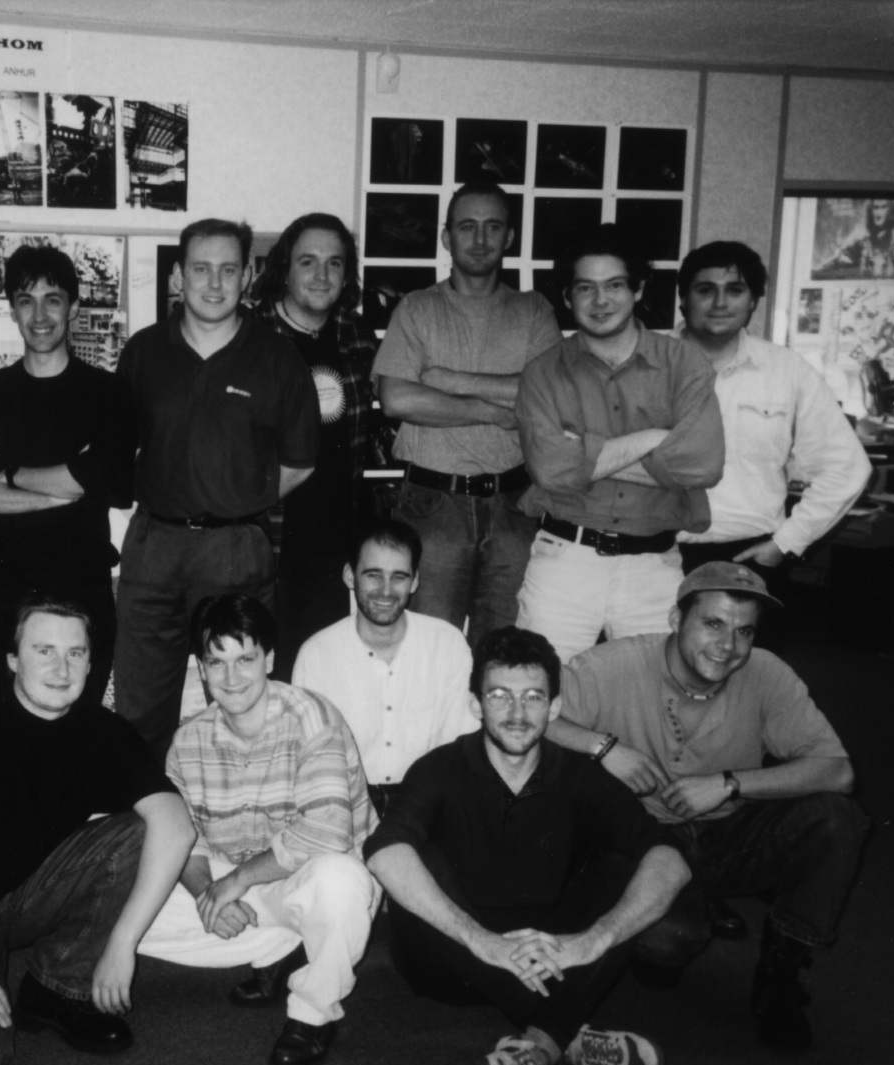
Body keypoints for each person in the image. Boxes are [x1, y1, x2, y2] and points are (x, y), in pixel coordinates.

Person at [548, 562, 870, 1051]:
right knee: (668, 943)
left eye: (744, 631)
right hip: (646, 840)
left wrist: (728, 784)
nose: (727, 646)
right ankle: (675, 917)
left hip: (730, 834)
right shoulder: (612, 665)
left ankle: (780, 976)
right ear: (676, 620)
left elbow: (838, 771)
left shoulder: (766, 673)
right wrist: (604, 747)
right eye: (713, 624)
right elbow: (533, 716)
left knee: (836, 819)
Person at [366, 626, 686, 1065]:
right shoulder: (439, 768)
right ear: (475, 704)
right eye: (500, 695)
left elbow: (670, 857)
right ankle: (566, 1035)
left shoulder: (579, 774)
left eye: (533, 697)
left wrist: (595, 940)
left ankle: (537, 1047)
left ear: (554, 708)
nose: (517, 713)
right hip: (450, 963)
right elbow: (383, 851)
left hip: (550, 956)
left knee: (625, 866)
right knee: (419, 858)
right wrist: (479, 940)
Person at [0, 596, 193, 1065]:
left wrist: (123, 945)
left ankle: (57, 987)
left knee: (140, 831)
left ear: (91, 664)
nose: (61, 667)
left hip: (32, 890)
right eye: (44, 650)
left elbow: (177, 826)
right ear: (13, 659)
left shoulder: (103, 731)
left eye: (75, 653)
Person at [138, 595, 380, 1065]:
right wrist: (207, 893)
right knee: (128, 893)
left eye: (245, 659)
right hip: (244, 884)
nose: (231, 678)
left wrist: (236, 882)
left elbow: (329, 833)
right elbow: (184, 840)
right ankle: (278, 945)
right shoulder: (187, 741)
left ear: (269, 659)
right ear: (201, 669)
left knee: (341, 881)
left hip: (307, 881)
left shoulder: (312, 717)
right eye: (216, 662)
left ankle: (313, 1012)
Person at [113, 219, 320, 761]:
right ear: (178, 276)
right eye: (201, 269)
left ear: (247, 275)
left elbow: (300, 462)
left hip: (236, 552)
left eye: (228, 270)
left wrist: (238, 501)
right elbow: (118, 450)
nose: (214, 283)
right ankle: (144, 814)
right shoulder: (143, 352)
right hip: (154, 549)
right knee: (139, 712)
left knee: (241, 708)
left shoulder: (277, 358)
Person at [514, 224, 725, 663]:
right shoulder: (542, 373)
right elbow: (549, 470)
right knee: (544, 685)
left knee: (656, 691)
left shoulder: (684, 364)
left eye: (614, 285)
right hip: (564, 564)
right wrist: (655, 440)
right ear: (567, 297)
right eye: (585, 288)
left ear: (638, 290)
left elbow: (701, 466)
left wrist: (582, 454)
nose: (600, 300)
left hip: (654, 568)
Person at [374, 181, 562, 638]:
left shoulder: (534, 310)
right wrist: (494, 410)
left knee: (504, 649)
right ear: (446, 237)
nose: (480, 239)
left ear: (509, 237)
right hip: (433, 506)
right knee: (430, 646)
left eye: (492, 227)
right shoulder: (417, 309)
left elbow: (552, 396)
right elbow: (398, 399)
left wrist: (451, 380)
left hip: (515, 505)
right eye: (467, 227)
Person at [0, 244, 134, 701]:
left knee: (72, 735)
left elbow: (110, 482)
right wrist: (64, 486)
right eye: (26, 301)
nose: (39, 315)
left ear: (73, 308)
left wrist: (6, 471)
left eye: (52, 299)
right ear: (12, 309)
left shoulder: (108, 392)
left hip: (81, 594)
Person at [673, 240, 871, 636]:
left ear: (753, 302)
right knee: (649, 667)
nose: (719, 302)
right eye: (705, 289)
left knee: (747, 673)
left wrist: (786, 543)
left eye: (734, 290)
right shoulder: (647, 363)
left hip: (747, 559)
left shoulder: (786, 371)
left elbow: (846, 466)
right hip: (653, 554)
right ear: (683, 299)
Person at [253, 213, 388, 669]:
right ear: (284, 269)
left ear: (347, 275)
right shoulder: (251, 333)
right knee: (260, 668)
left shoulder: (357, 333)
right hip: (265, 533)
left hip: (333, 539)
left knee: (318, 671)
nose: (321, 275)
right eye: (307, 261)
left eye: (334, 263)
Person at [291, 519, 476, 814]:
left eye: (399, 577)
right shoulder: (317, 655)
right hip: (346, 806)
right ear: (350, 576)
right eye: (374, 575)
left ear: (415, 581)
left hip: (429, 806)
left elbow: (461, 748)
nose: (386, 591)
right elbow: (312, 762)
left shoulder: (448, 645)